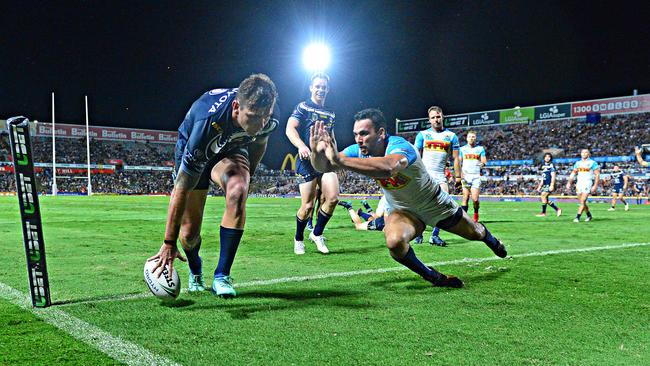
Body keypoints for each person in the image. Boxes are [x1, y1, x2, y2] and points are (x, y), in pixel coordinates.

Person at [310, 108, 507, 288]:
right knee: (394, 242)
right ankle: (433, 277)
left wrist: (340, 159)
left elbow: (389, 168)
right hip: (403, 210)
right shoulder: (357, 151)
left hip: (435, 205)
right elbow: (324, 167)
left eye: (364, 133)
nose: (359, 139)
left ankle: (492, 241)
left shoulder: (399, 146)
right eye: (356, 134)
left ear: (381, 133)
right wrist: (316, 153)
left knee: (476, 233)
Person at [148, 74, 279, 298]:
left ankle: (222, 275)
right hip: (198, 148)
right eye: (255, 117)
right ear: (236, 107)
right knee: (188, 235)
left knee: (238, 190)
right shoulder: (206, 125)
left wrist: (249, 178)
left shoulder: (268, 113)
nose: (262, 123)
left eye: (265, 117)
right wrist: (168, 242)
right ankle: (195, 269)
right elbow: (181, 188)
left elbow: (260, 141)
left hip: (231, 149)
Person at [286, 73, 338, 255]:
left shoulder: (331, 112)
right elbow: (290, 127)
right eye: (317, 86)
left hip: (325, 162)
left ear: (328, 89)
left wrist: (336, 160)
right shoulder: (303, 106)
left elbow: (332, 138)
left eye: (324, 87)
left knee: (332, 199)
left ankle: (317, 234)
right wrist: (301, 145)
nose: (321, 90)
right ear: (311, 87)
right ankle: (298, 238)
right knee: (307, 206)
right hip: (307, 161)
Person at [413, 106, 461, 246]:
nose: (436, 119)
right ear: (429, 120)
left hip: (440, 175)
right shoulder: (422, 135)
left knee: (444, 204)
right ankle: (419, 233)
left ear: (442, 117)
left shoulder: (451, 136)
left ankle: (434, 236)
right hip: (425, 174)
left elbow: (456, 159)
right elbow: (415, 155)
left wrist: (458, 177)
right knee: (420, 206)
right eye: (433, 117)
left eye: (438, 116)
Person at [565, 149, 600, 223]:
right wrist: (569, 183)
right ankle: (589, 215)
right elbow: (573, 174)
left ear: (589, 154)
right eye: (582, 152)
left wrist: (595, 185)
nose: (584, 154)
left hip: (587, 182)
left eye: (586, 152)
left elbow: (597, 174)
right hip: (579, 183)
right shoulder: (577, 163)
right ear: (580, 154)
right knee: (582, 202)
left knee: (583, 200)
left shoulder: (592, 163)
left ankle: (577, 217)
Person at [459, 131, 487, 222]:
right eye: (470, 137)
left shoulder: (480, 149)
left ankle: (476, 212)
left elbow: (484, 161)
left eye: (473, 137)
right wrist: (459, 175)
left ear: (476, 138)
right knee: (465, 198)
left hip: (475, 176)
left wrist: (482, 164)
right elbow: (458, 162)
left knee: (475, 199)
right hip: (465, 176)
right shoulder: (462, 149)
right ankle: (464, 220)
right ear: (467, 138)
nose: (472, 138)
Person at [535, 153, 562, 217]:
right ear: (544, 158)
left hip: (549, 183)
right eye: (546, 157)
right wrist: (540, 186)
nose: (547, 158)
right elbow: (543, 177)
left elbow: (553, 175)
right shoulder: (543, 166)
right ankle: (557, 209)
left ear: (551, 158)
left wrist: (552, 185)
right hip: (545, 184)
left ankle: (543, 213)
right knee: (545, 199)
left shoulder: (551, 165)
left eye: (549, 157)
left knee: (543, 196)